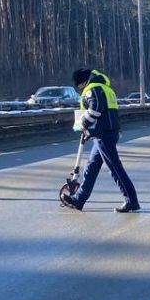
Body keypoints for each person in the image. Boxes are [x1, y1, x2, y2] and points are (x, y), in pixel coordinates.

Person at [61, 68, 141, 213]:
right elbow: (104, 113)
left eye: (78, 86)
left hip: (104, 134)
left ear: (82, 82)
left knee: (115, 168)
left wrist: (83, 123)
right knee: (91, 168)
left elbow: (96, 110)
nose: (79, 89)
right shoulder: (104, 87)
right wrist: (89, 131)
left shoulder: (93, 89)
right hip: (104, 133)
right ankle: (79, 199)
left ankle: (132, 200)